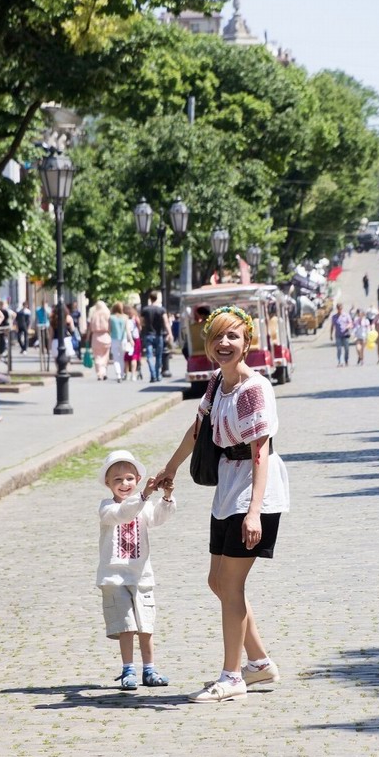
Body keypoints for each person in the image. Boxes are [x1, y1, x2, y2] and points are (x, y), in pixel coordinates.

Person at [155, 305, 289, 703]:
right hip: (228, 486)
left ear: (247, 341)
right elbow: (198, 431)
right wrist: (170, 469)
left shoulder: (253, 389)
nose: (224, 343)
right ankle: (259, 663)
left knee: (231, 583)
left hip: (254, 488)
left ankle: (232, 677)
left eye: (233, 336)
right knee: (218, 581)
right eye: (217, 337)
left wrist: (254, 512)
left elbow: (260, 451)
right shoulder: (217, 384)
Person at [97, 449, 175, 691]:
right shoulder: (107, 507)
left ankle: (149, 669)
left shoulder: (144, 505)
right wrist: (143, 495)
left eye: (129, 478)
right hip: (114, 577)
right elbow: (124, 513)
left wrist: (166, 496)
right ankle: (127, 668)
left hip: (141, 576)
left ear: (138, 479)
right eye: (117, 479)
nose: (124, 484)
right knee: (126, 625)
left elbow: (159, 518)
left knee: (145, 625)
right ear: (108, 483)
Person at [140, 291, 173, 383]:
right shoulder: (161, 310)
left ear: (150, 298)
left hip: (148, 335)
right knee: (158, 356)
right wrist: (170, 333)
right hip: (158, 335)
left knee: (149, 356)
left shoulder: (145, 310)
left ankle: (153, 375)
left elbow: (141, 322)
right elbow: (166, 322)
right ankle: (157, 375)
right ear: (157, 298)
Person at [88, 300, 112, 381]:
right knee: (105, 356)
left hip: (95, 336)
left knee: (97, 356)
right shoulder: (107, 313)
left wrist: (87, 337)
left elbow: (89, 328)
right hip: (105, 335)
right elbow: (110, 327)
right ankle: (104, 371)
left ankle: (99, 373)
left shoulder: (93, 314)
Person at [109, 302, 131, 383]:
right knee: (122, 357)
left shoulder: (111, 318)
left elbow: (109, 330)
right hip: (123, 339)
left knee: (116, 358)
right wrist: (131, 340)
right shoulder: (125, 317)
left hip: (114, 339)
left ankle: (118, 374)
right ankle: (121, 373)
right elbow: (127, 330)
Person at [329, 302, 353, 367]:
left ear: (342, 308)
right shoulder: (334, 317)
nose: (340, 310)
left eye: (341, 308)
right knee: (339, 349)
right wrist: (331, 335)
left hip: (345, 335)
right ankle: (340, 361)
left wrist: (348, 326)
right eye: (338, 308)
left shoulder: (346, 315)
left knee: (346, 349)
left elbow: (351, 323)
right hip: (338, 335)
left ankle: (346, 360)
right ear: (337, 309)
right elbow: (332, 326)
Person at [124, 305, 142, 381]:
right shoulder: (135, 318)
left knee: (127, 358)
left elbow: (127, 330)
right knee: (134, 357)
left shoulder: (125, 319)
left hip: (127, 340)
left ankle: (127, 374)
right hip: (135, 339)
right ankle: (133, 375)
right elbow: (140, 328)